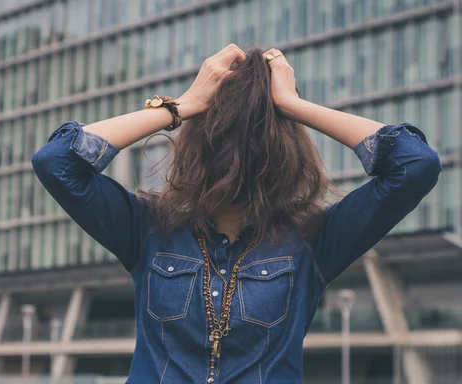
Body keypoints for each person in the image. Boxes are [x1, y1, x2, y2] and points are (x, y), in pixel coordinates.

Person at [32, 44, 442, 383]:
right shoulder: (149, 227)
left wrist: (291, 105)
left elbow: (416, 164)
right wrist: (182, 106)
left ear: (280, 155)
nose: (235, 162)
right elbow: (57, 162)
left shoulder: (312, 238)